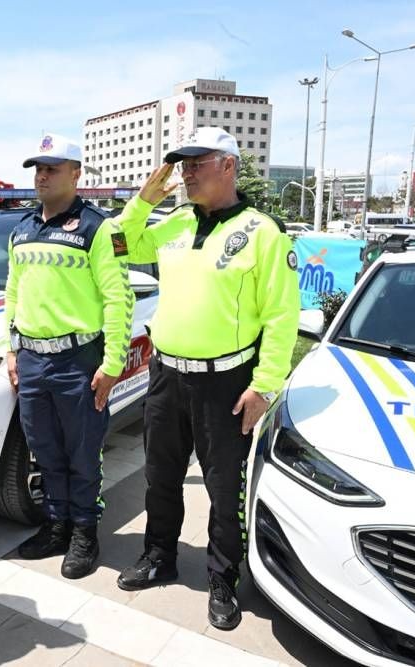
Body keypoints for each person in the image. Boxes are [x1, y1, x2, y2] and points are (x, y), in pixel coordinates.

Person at [113, 128, 299, 630]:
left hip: (227, 382)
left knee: (223, 486)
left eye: (197, 162)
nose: (186, 172)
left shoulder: (263, 232)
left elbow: (282, 317)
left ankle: (222, 578)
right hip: (166, 374)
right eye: (183, 163)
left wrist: (264, 384)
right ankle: (159, 555)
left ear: (229, 166)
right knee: (160, 476)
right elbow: (117, 246)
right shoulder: (173, 222)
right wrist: (142, 201)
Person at [4, 134, 133, 579]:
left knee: (82, 452)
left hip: (78, 360)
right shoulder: (22, 229)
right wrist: (11, 347)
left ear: (76, 173)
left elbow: (119, 299)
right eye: (38, 168)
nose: (41, 175)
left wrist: (112, 363)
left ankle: (84, 533)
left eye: (52, 168)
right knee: (44, 450)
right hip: (33, 361)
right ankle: (56, 525)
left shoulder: (101, 229)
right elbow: (13, 292)